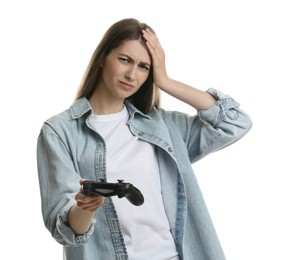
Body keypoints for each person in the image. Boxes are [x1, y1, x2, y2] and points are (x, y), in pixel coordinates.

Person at [37, 18, 252, 260]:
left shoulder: (163, 126)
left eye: (144, 67)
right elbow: (64, 228)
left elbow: (235, 122)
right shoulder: (59, 132)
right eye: (125, 60)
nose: (131, 74)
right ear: (101, 59)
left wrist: (166, 82)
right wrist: (84, 208)